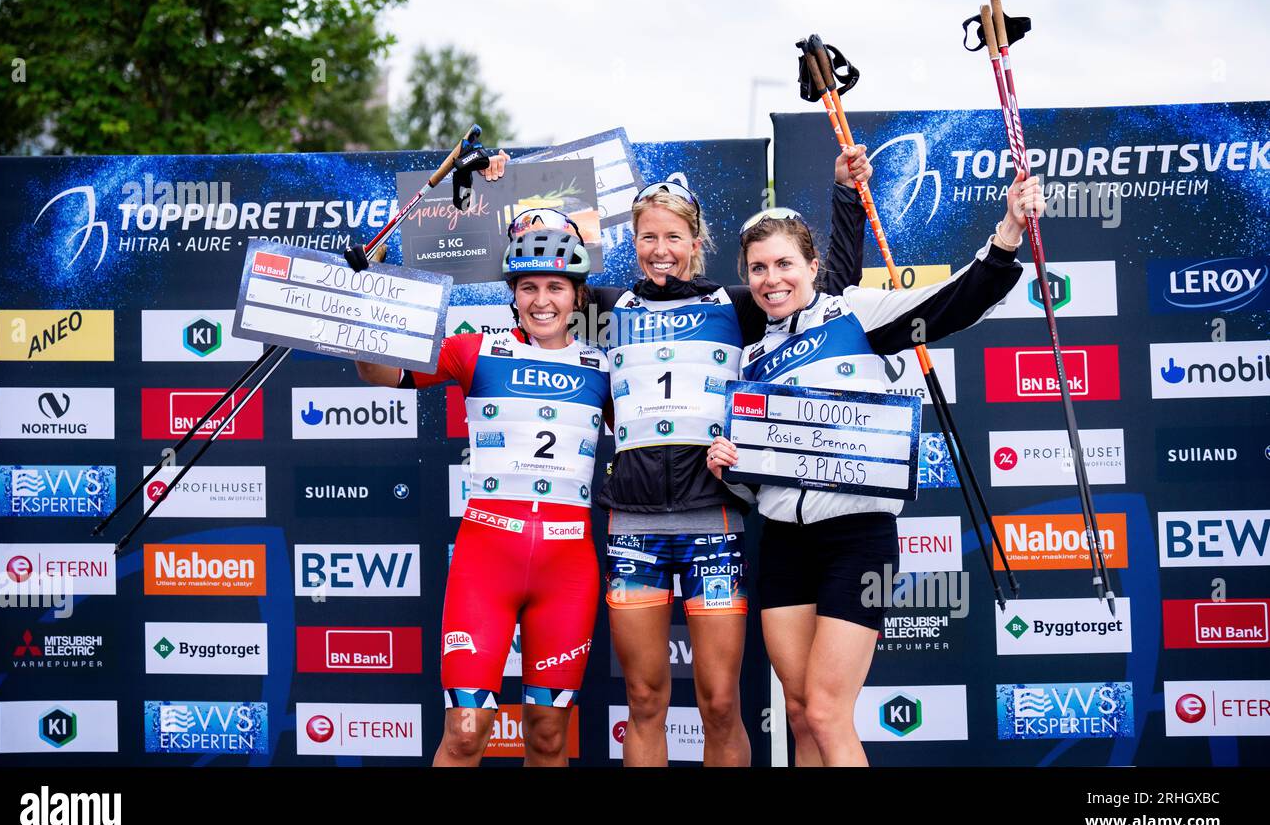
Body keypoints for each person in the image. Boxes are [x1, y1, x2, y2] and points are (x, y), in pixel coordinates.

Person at [706, 173, 1043, 766]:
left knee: (829, 711)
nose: (771, 280)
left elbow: (952, 303)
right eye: (757, 269)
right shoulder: (751, 356)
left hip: (857, 539)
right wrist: (728, 464)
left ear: (813, 265)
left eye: (784, 263)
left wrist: (1010, 230)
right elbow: (752, 474)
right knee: (800, 712)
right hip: (784, 542)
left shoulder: (855, 315)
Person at [590, 148, 871, 767]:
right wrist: (496, 196)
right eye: (647, 237)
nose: (660, 248)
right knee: (642, 699)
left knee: (719, 703)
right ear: (632, 243)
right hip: (633, 524)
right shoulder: (605, 309)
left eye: (674, 236)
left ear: (696, 242)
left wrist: (846, 196)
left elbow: (826, 294)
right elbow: (537, 297)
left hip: (714, 521)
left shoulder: (736, 304)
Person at [356, 209, 608, 767]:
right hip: (485, 561)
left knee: (547, 736)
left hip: (567, 569)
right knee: (467, 733)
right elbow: (383, 375)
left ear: (577, 296)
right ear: (513, 294)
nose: (543, 300)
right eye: (529, 287)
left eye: (556, 287)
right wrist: (361, 308)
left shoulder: (603, 367)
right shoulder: (475, 350)